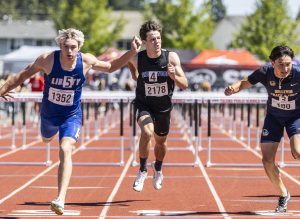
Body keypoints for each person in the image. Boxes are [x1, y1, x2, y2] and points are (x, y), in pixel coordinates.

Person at [0, 28, 141, 215]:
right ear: (60, 46)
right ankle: (47, 135)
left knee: (66, 149)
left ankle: (60, 198)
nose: (69, 51)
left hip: (71, 116)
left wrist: (132, 52)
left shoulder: (86, 61)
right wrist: (2, 89)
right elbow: (22, 75)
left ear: (79, 47)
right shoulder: (48, 59)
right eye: (66, 47)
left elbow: (110, 67)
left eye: (73, 47)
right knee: (46, 137)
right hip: (49, 115)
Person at [224, 45, 300, 213]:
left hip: (296, 117)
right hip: (273, 118)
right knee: (267, 160)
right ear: (272, 63)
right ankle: (283, 194)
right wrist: (233, 89)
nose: (285, 68)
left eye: (288, 64)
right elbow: (244, 82)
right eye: (281, 64)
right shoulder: (265, 72)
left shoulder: (298, 73)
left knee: (297, 151)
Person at [128, 20, 188, 192]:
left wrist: (174, 76)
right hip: (144, 104)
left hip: (163, 107)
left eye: (158, 38)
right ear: (145, 42)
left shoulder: (171, 57)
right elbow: (127, 61)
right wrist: (135, 74)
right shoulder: (137, 57)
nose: (157, 42)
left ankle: (158, 168)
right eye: (152, 39)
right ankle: (142, 170)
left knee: (161, 142)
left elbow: (185, 84)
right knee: (147, 132)